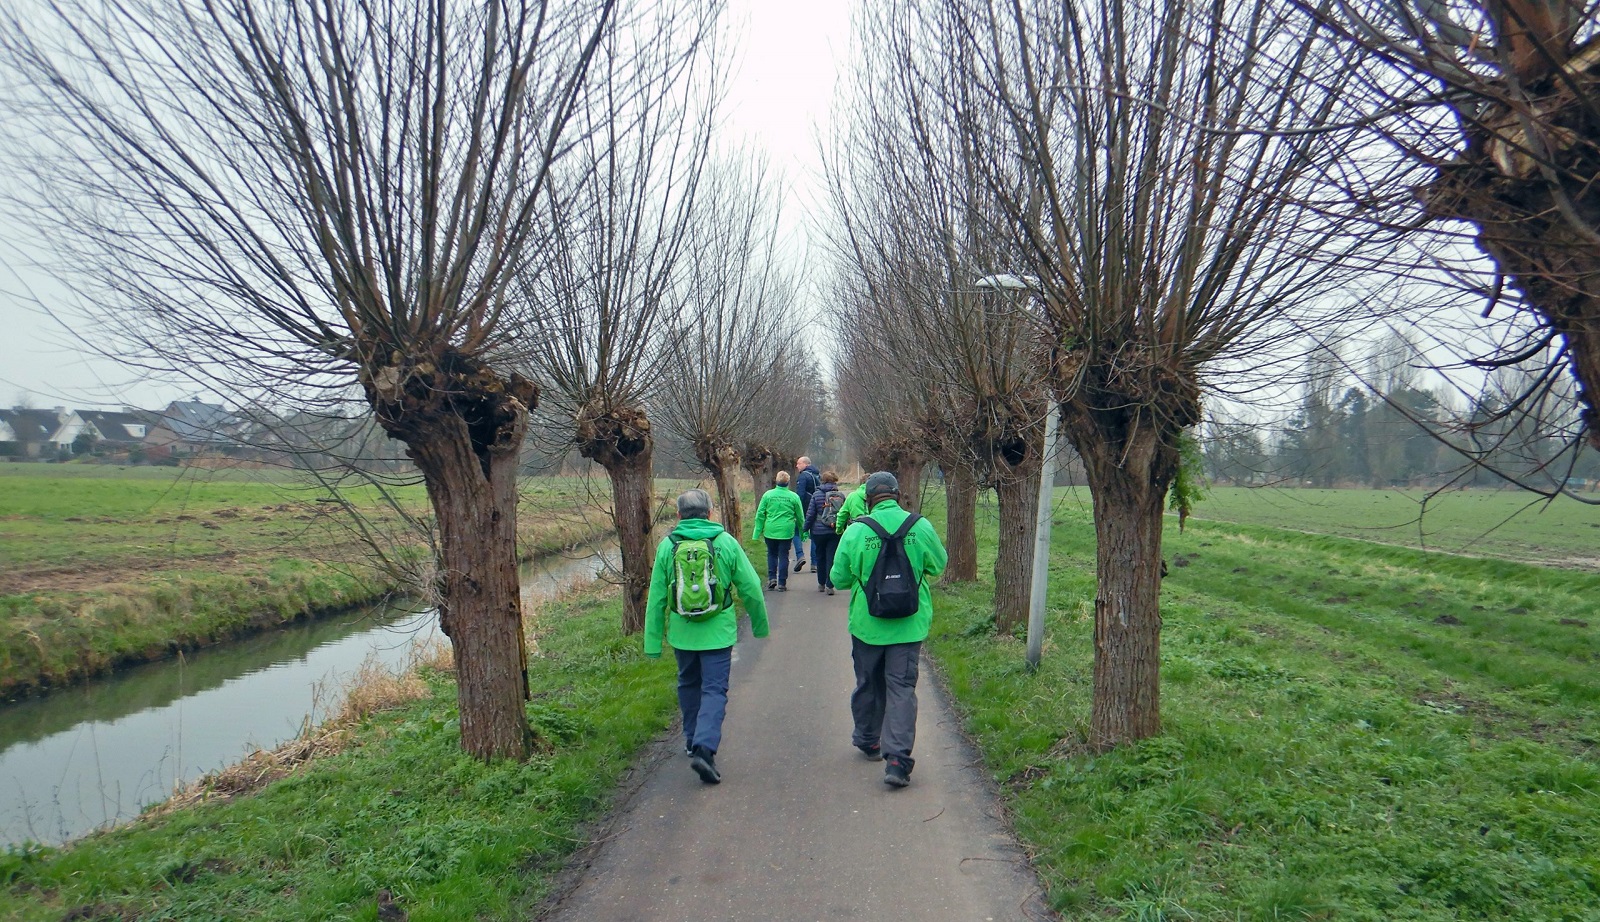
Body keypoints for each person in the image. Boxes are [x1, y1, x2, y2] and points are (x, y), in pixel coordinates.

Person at [830, 471, 947, 788]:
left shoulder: (857, 531)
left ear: (868, 499)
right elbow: (938, 565)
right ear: (898, 495)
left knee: (868, 681)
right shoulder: (919, 526)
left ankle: (869, 740)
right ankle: (897, 761)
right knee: (901, 689)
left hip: (867, 624)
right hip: (909, 626)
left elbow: (839, 578)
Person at [644, 489, 769, 785]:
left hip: (682, 633)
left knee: (688, 682)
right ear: (711, 513)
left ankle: (691, 740)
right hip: (718, 632)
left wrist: (652, 643)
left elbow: (657, 597)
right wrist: (761, 626)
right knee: (714, 689)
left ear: (678, 516)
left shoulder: (667, 546)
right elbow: (750, 587)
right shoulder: (725, 542)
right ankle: (705, 747)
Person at [752, 470, 806, 591]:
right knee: (783, 555)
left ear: (776, 481)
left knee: (771, 554)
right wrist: (803, 533)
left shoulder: (768, 495)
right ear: (788, 482)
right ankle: (782, 582)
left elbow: (760, 514)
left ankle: (772, 578)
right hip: (786, 531)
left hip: (770, 530)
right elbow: (800, 517)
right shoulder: (793, 497)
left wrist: (756, 532)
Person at [802, 470, 846, 595]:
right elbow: (844, 513)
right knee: (831, 557)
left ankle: (821, 583)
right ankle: (829, 585)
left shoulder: (816, 495)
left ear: (823, 480)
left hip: (818, 531)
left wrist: (805, 528)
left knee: (820, 556)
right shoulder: (840, 495)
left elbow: (810, 514)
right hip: (834, 531)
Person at [791, 456, 821, 571]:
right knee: (814, 535)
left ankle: (800, 556)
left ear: (805, 464)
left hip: (804, 508)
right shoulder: (817, 475)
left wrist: (796, 511)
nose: (797, 466)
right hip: (815, 508)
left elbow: (800, 495)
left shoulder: (803, 476)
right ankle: (815, 563)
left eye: (799, 463)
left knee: (797, 532)